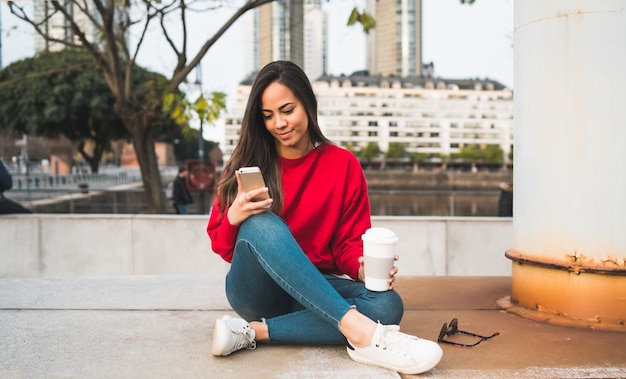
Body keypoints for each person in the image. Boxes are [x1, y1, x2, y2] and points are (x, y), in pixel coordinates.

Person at [206, 61, 442, 375]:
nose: (279, 123)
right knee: (262, 223)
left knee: (388, 305)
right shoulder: (247, 165)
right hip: (257, 291)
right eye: (268, 116)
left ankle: (254, 332)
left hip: (315, 290)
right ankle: (358, 330)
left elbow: (347, 244)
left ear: (308, 102)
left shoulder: (343, 165)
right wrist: (235, 216)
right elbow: (224, 248)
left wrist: (360, 266)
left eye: (287, 110)